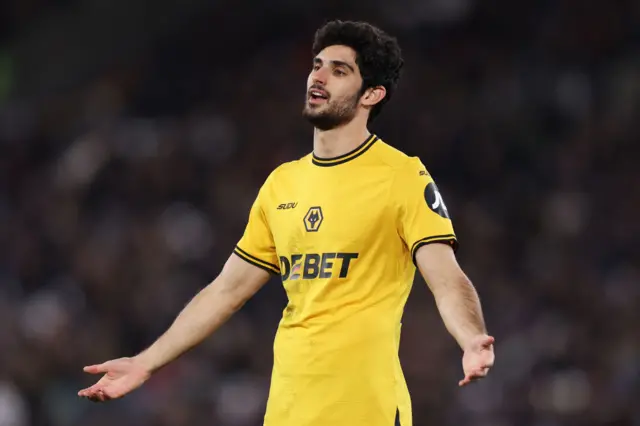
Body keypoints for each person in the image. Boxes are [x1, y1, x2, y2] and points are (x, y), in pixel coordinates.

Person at [78, 20, 495, 426]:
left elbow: (445, 277)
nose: (319, 76)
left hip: (366, 411)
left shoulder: (402, 176)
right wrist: (145, 362)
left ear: (372, 94)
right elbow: (227, 290)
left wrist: (471, 338)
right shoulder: (282, 184)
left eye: (339, 70)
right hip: (287, 412)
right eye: (317, 65)